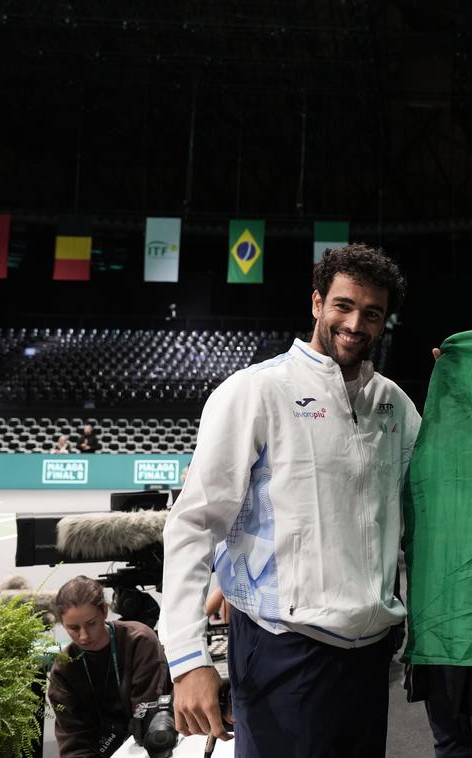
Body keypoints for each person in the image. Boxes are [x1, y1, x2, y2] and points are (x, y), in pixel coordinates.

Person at [160, 243, 421, 757]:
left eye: (372, 313)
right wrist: (188, 658)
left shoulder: (396, 405)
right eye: (343, 305)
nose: (355, 323)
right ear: (317, 303)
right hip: (284, 649)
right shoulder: (256, 391)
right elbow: (194, 524)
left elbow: (427, 508)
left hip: (370, 657)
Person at [47, 576, 171, 758]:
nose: (83, 636)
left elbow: (146, 719)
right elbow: (73, 742)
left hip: (151, 748)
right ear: (62, 623)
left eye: (91, 624)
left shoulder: (139, 641)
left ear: (104, 611)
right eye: (73, 628)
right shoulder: (64, 670)